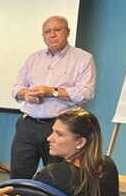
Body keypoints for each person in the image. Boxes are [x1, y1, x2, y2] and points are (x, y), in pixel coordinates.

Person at [10, 15, 96, 179]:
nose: (52, 35)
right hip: (28, 125)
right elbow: (16, 88)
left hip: (61, 127)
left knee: (58, 177)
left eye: (57, 30)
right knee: (18, 175)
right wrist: (27, 95)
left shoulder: (83, 58)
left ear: (68, 32)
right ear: (43, 36)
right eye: (47, 31)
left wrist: (52, 91)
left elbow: (86, 92)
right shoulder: (33, 58)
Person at [33, 108, 120, 196]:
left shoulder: (51, 176)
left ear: (80, 142)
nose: (50, 138)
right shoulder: (108, 165)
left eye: (59, 134)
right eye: (53, 132)